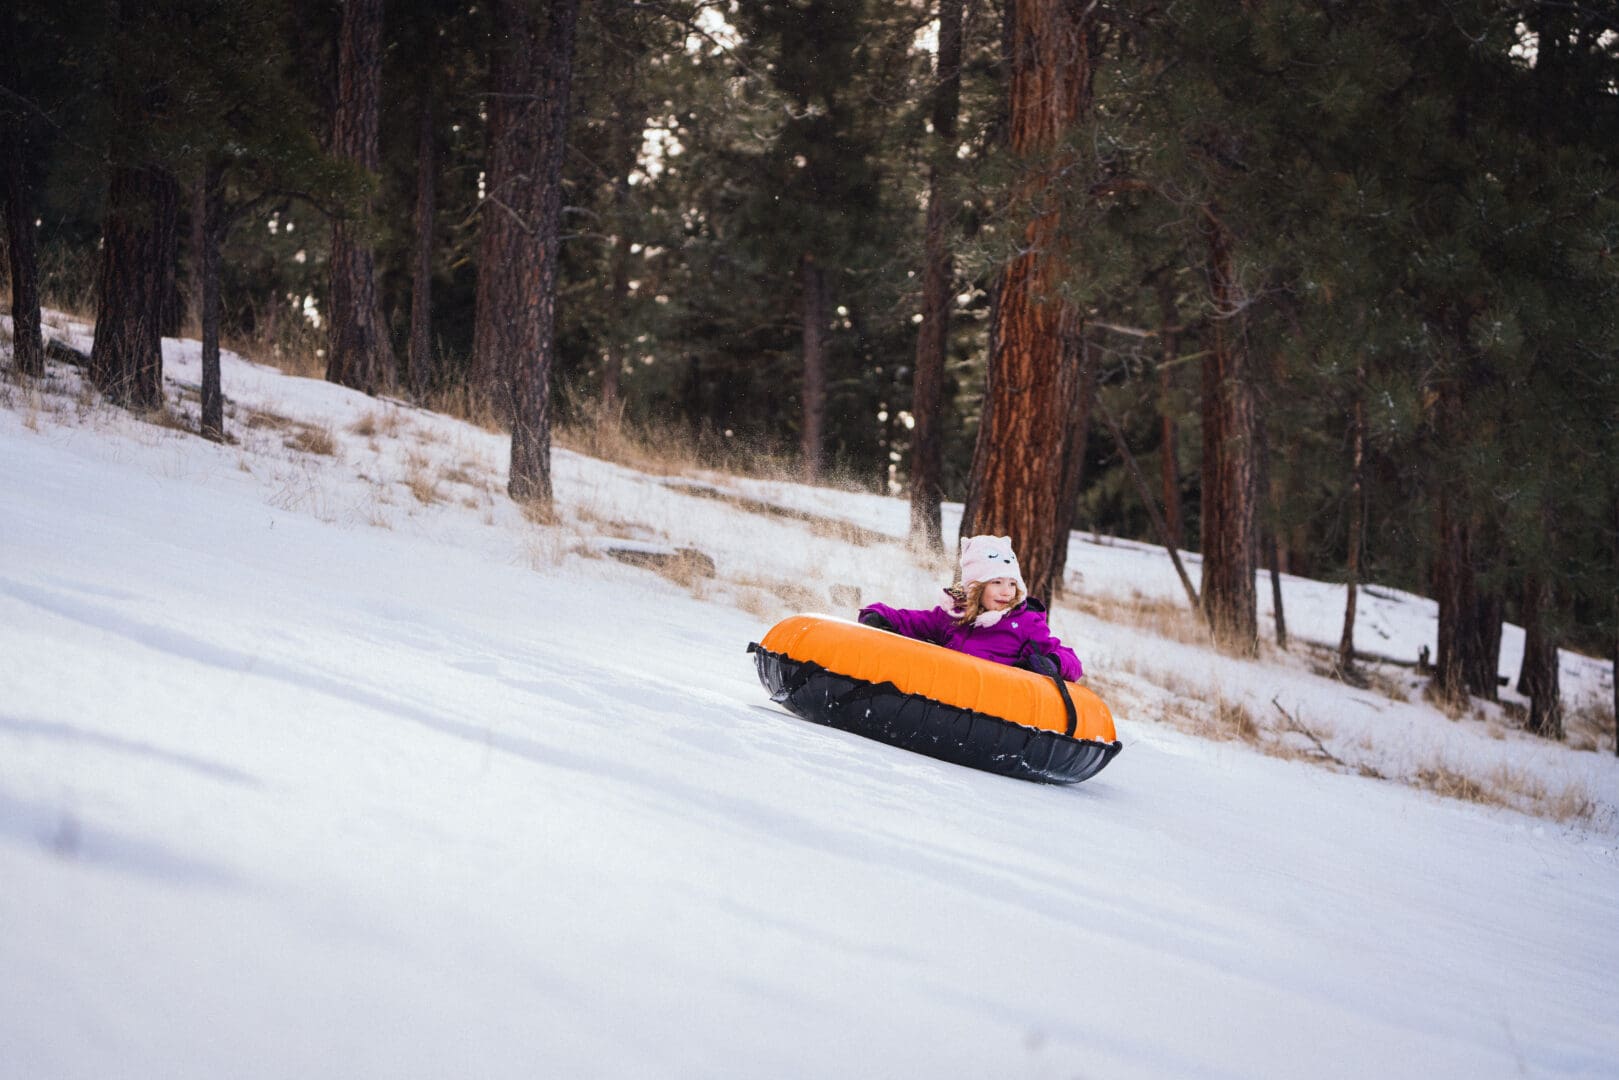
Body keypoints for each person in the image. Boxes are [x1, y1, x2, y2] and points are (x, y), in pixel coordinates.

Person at [858, 535, 1084, 681]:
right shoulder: (954, 616)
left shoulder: (1025, 624)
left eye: (1012, 584)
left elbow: (1071, 659)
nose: (1006, 592)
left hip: (995, 709)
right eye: (996, 582)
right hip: (945, 695)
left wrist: (1053, 662)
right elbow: (913, 621)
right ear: (976, 587)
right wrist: (878, 614)